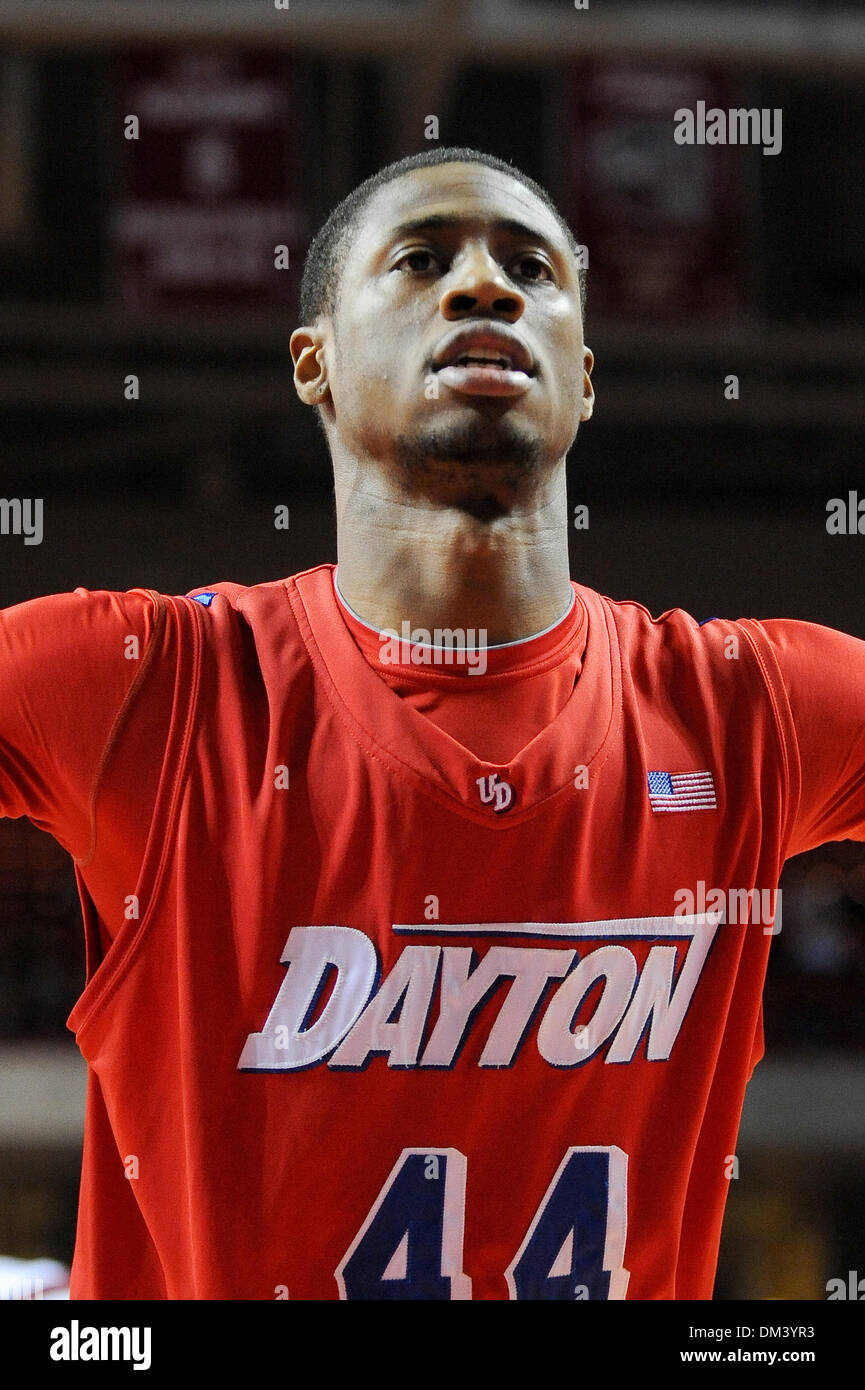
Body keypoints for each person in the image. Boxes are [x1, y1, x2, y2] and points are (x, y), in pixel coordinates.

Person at [1, 146, 863, 1300]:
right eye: (421, 260)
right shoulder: (154, 684)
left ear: (586, 375)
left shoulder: (742, 707)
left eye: (531, 269)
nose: (485, 288)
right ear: (314, 362)